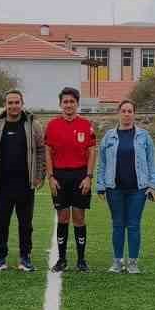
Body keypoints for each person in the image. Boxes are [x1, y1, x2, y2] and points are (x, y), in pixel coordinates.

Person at [0, 89, 44, 271]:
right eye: (10, 103)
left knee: (26, 224)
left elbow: (41, 150)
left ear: (22, 104)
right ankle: (0, 257)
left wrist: (39, 175)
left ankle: (25, 257)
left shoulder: (32, 124)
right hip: (2, 184)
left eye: (17, 102)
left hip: (26, 184)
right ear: (5, 104)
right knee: (1, 223)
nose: (13, 106)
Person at [95, 99, 155, 273]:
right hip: (114, 189)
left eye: (130, 111)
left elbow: (151, 162)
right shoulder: (109, 136)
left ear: (134, 114)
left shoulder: (144, 136)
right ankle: (117, 261)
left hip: (138, 189)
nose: (127, 114)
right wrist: (100, 185)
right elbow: (102, 162)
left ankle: (133, 263)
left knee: (134, 225)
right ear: (118, 113)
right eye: (124, 111)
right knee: (117, 224)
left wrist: (152, 185)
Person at [44, 86, 97, 272]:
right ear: (60, 104)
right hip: (59, 176)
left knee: (79, 218)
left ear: (77, 104)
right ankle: (62, 259)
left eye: (72, 102)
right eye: (65, 102)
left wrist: (89, 177)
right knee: (63, 217)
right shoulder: (52, 125)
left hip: (80, 176)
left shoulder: (86, 125)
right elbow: (48, 153)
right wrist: (50, 177)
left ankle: (81, 260)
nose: (68, 105)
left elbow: (91, 151)